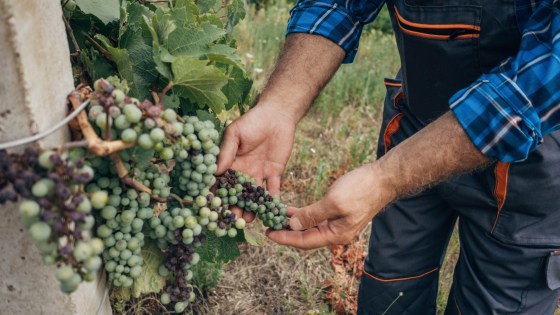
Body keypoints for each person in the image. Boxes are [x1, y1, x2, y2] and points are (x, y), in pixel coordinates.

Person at [217, 0, 560, 313]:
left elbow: (540, 80)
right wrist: (280, 106)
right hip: (414, 125)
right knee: (389, 295)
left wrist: (387, 178)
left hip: (529, 161)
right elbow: (334, 5)